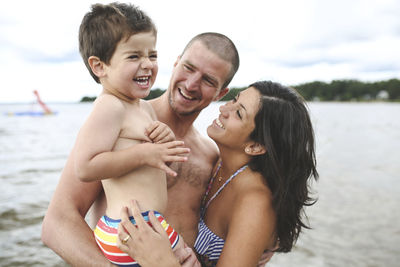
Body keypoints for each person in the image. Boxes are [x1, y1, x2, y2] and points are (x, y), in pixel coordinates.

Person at [41, 31, 242, 266]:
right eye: (188, 68)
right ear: (176, 63)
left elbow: (223, 223)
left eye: (208, 80)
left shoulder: (210, 155)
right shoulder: (119, 122)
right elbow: (56, 224)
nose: (191, 84)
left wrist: (266, 243)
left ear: (221, 93)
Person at [117, 81, 319, 267]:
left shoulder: (256, 202)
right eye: (234, 99)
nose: (223, 108)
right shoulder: (220, 163)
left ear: (255, 146)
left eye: (238, 113)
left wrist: (159, 260)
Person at [69, 3, 190, 266]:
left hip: (146, 224)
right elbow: (85, 167)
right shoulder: (109, 106)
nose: (147, 64)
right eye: (134, 56)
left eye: (152, 55)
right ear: (99, 66)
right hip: (128, 230)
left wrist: (164, 140)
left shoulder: (143, 107)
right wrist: (143, 153)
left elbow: (156, 170)